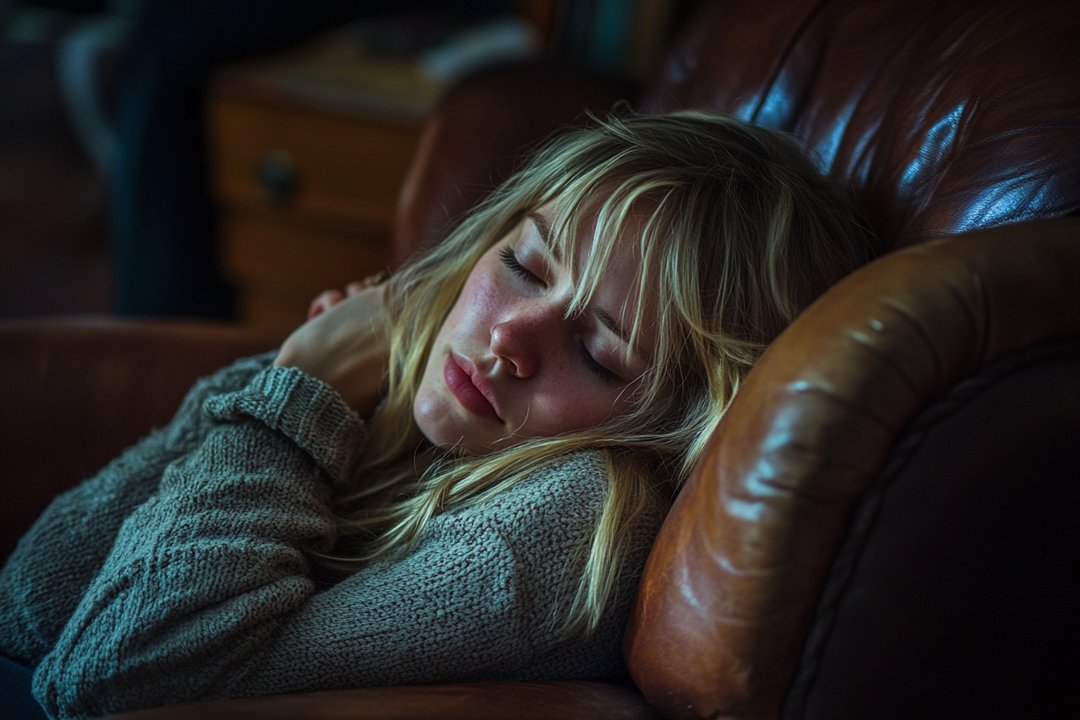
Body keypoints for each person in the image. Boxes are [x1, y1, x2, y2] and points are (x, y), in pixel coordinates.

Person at [0, 110, 878, 719]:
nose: (508, 338)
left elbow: (114, 683)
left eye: (600, 353)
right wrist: (289, 387)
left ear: (672, 425)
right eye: (529, 268)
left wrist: (289, 406)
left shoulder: (563, 521)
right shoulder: (397, 369)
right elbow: (31, 604)